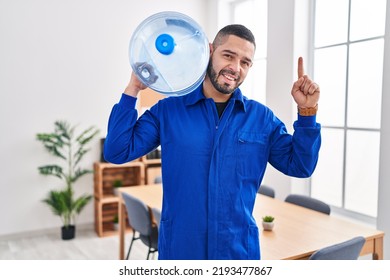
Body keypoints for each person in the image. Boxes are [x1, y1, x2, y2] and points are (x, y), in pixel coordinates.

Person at [104, 24, 321, 260]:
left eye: (245, 62)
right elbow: (117, 150)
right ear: (209, 51)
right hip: (182, 250)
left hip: (237, 253)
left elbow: (301, 166)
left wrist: (307, 111)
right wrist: (133, 88)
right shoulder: (169, 110)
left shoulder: (262, 119)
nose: (235, 68)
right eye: (228, 55)